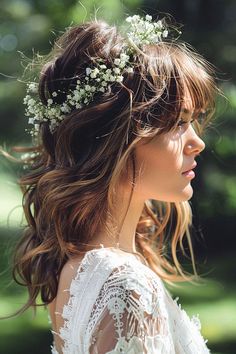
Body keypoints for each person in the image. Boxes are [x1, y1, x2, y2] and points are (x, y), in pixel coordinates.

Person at [8, 14, 218, 353]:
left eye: (193, 122)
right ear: (118, 140)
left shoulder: (75, 271)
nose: (198, 142)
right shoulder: (127, 287)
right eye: (178, 123)